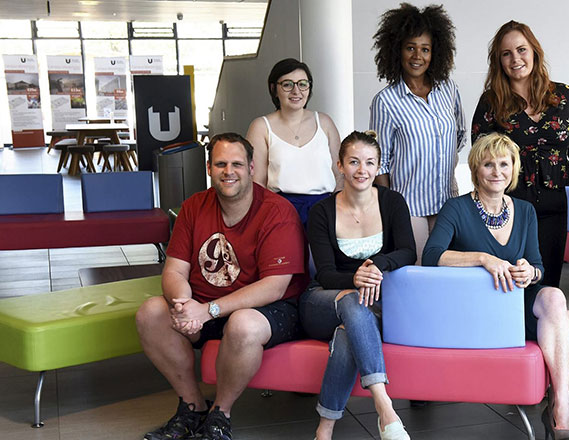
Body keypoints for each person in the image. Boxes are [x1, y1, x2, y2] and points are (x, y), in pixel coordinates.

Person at [136, 132, 309, 440]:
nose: (229, 171)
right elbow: (174, 269)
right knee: (151, 313)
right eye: (221, 164)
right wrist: (183, 303)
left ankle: (220, 415)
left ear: (252, 168)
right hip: (203, 305)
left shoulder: (277, 211)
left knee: (243, 324)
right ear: (209, 168)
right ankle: (192, 408)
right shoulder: (193, 207)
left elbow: (274, 287)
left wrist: (207, 311)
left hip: (268, 309)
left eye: (237, 164)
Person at [423, 132, 569, 440]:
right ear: (475, 170)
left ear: (514, 168)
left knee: (561, 305)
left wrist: (529, 272)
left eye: (504, 164)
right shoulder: (456, 208)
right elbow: (431, 257)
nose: (497, 172)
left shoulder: (524, 210)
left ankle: (560, 400)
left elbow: (538, 265)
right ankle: (558, 408)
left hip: (517, 307)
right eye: (488, 165)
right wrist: (482, 258)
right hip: (477, 314)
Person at [471, 20, 569, 287]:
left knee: (548, 280)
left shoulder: (564, 95)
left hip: (553, 203)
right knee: (511, 280)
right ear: (499, 61)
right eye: (506, 54)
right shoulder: (491, 101)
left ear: (534, 52)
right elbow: (480, 155)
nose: (515, 59)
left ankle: (547, 329)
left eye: (521, 50)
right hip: (508, 205)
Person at [300, 131, 416, 440]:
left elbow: (408, 251)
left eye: (369, 162)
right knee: (353, 301)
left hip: (370, 303)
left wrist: (378, 264)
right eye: (353, 162)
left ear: (378, 166)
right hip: (322, 301)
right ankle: (384, 405)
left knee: (347, 333)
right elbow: (324, 273)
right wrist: (354, 278)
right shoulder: (322, 212)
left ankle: (324, 430)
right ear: (340, 165)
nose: (362, 170)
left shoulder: (392, 202)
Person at [370, 3, 466, 260]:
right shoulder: (386, 101)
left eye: (425, 49)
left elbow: (458, 135)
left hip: (448, 202)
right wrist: (391, 209)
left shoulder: (448, 89)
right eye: (410, 47)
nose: (417, 56)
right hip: (409, 207)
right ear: (397, 50)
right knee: (418, 271)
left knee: (447, 272)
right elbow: (381, 163)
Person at [246, 58, 341, 227]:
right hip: (280, 211)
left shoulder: (325, 122)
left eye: (302, 84)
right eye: (288, 84)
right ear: (274, 89)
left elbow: (340, 173)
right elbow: (256, 182)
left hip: (326, 210)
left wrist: (338, 209)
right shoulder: (261, 126)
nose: (296, 91)